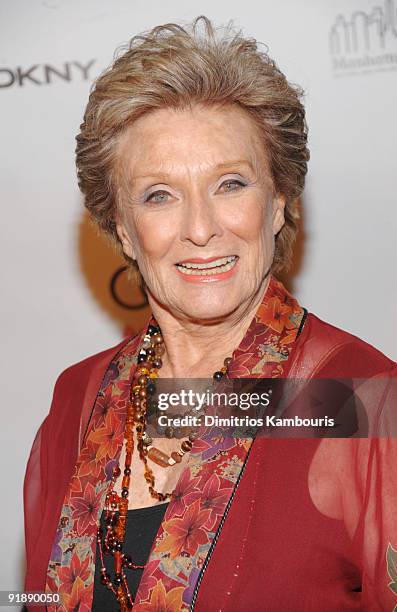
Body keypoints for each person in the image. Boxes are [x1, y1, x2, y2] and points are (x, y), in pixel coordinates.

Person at [24, 16, 397, 612]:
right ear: (122, 226)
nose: (200, 228)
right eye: (159, 195)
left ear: (277, 205)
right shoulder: (77, 401)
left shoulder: (360, 399)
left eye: (230, 184)